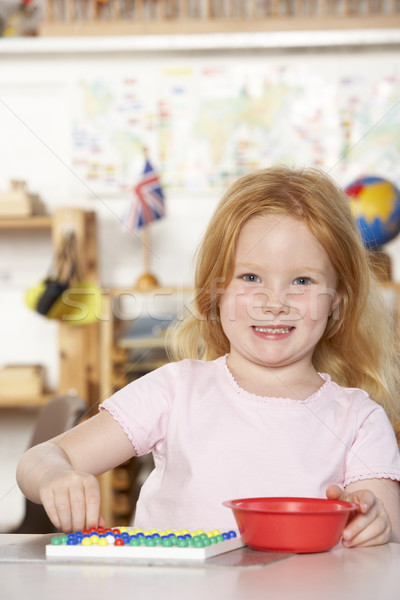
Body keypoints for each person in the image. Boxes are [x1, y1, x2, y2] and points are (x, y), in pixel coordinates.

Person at [17, 165, 400, 548]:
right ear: (216, 293)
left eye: (302, 281)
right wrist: (56, 476)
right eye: (250, 277)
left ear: (337, 300)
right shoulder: (175, 390)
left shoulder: (360, 420)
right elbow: (39, 460)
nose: (274, 303)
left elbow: (385, 534)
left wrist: (375, 525)